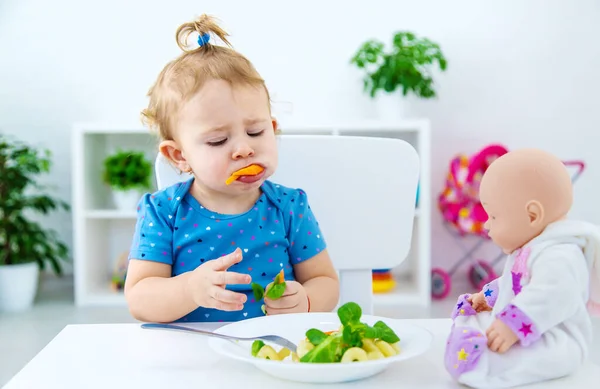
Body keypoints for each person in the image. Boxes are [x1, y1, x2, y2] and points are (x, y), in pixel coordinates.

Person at [123, 14, 340, 324]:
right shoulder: (163, 212)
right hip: (191, 357)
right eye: (218, 140)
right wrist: (189, 290)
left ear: (273, 128)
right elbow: (140, 298)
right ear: (179, 155)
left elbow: (325, 281)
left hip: (271, 351)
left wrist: (306, 301)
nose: (244, 149)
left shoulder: (289, 207)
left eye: (256, 132)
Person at [444, 148, 600, 388]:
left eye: (494, 217)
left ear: (532, 215)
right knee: (484, 322)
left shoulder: (560, 255)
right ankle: (474, 344)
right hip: (531, 328)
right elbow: (516, 281)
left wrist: (512, 325)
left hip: (557, 340)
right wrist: (489, 297)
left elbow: (552, 296)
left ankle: (478, 365)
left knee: (511, 356)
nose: (486, 225)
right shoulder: (532, 247)